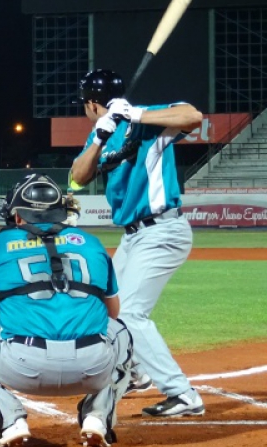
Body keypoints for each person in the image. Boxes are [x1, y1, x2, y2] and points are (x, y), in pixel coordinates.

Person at [0, 173, 133, 447]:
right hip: (93, 366)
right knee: (123, 332)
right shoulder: (91, 242)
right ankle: (98, 417)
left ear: (18, 216)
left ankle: (7, 421)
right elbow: (113, 312)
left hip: (23, 366)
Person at [69, 69, 205, 417]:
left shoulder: (147, 122)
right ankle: (136, 373)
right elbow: (79, 177)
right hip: (132, 237)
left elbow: (193, 116)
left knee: (130, 312)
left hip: (162, 231)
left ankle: (183, 394)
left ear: (91, 103)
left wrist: (134, 114)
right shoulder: (102, 132)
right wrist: (100, 137)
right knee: (102, 305)